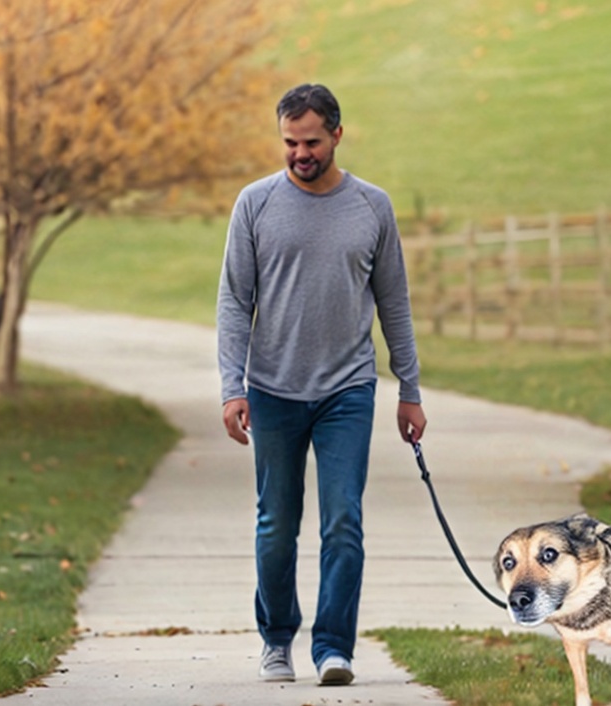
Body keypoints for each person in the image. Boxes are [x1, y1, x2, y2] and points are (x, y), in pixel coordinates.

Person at [216, 83, 427, 687]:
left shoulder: (371, 207)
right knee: (277, 524)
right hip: (273, 390)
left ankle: (334, 648)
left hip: (347, 390)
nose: (299, 153)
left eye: (310, 141)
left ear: (337, 133)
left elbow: (394, 303)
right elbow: (234, 302)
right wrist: (233, 387)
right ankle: (277, 639)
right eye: (289, 142)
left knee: (343, 521)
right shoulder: (255, 204)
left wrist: (408, 389)